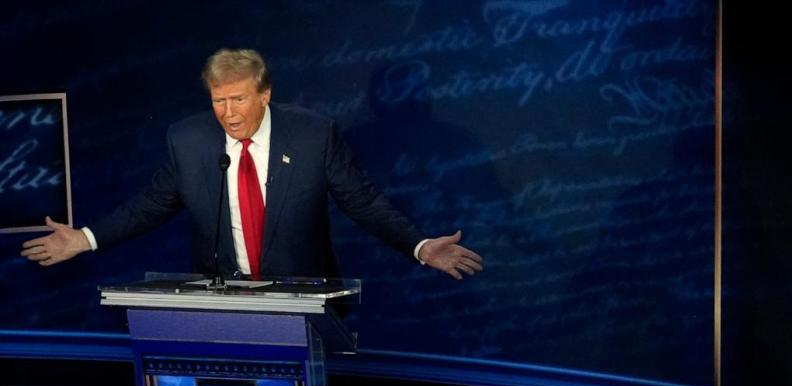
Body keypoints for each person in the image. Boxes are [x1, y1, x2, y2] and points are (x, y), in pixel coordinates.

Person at [18, 48, 483, 281]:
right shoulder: (189, 139)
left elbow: (363, 202)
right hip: (219, 303)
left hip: (301, 298)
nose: (228, 113)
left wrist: (420, 246)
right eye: (219, 101)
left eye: (238, 99)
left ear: (264, 95)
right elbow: (150, 205)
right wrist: (85, 238)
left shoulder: (312, 135)